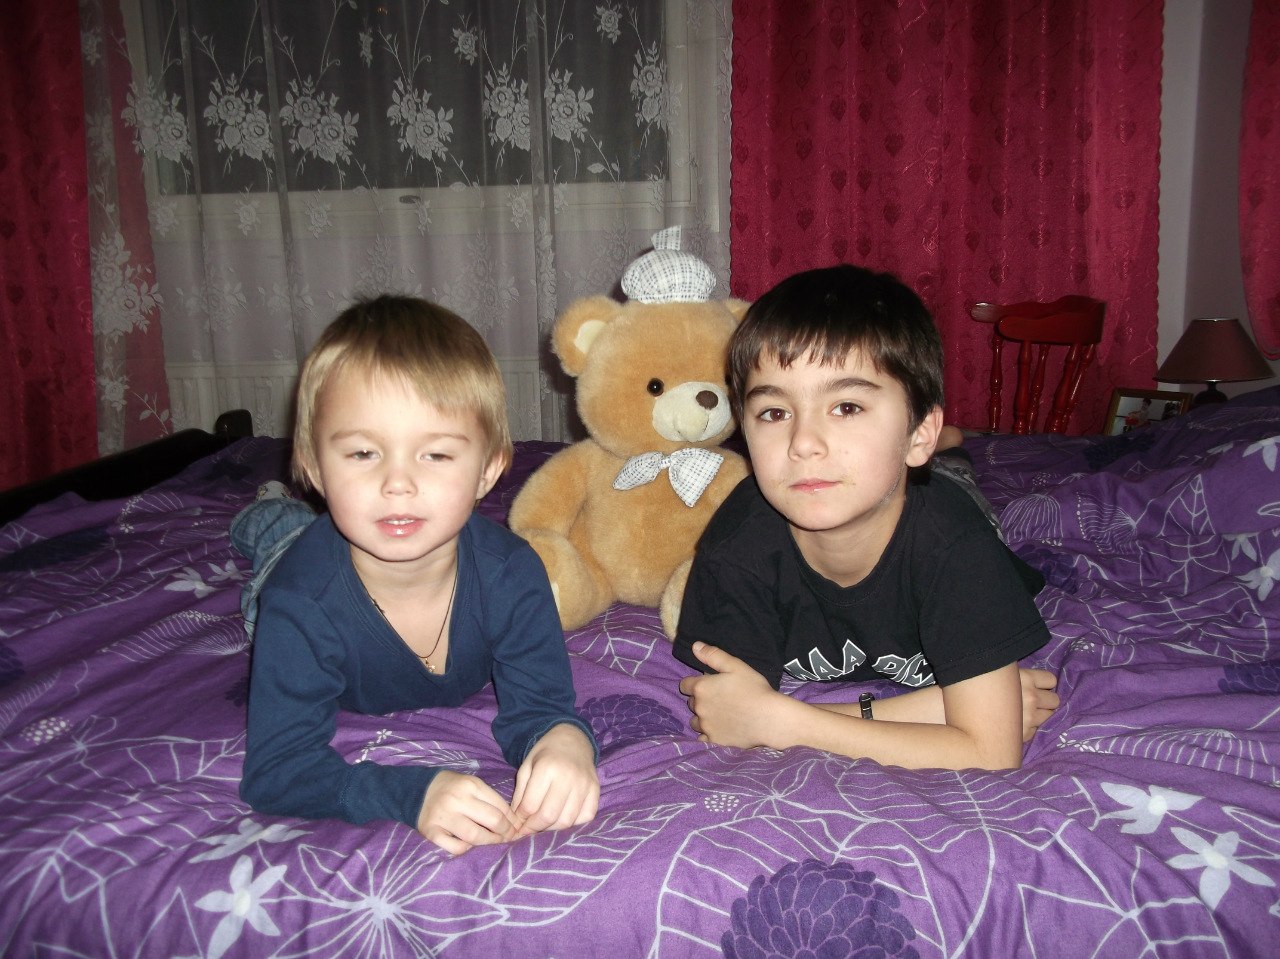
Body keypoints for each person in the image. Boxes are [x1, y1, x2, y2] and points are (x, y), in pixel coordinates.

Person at [233, 295, 599, 855]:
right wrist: (408, 795)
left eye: (436, 455)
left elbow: (541, 706)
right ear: (313, 467)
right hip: (294, 573)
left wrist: (565, 740)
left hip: (347, 541)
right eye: (362, 453)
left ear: (489, 470)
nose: (397, 484)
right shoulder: (298, 602)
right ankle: (269, 511)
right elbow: (277, 769)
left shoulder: (513, 573)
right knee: (279, 546)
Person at [673, 265, 1058, 771]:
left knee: (956, 482)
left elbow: (991, 754)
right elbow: (732, 712)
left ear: (916, 430)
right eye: (774, 413)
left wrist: (785, 723)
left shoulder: (956, 545)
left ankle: (947, 448)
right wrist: (930, 709)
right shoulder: (736, 545)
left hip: (943, 498)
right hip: (902, 470)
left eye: (847, 407)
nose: (803, 443)